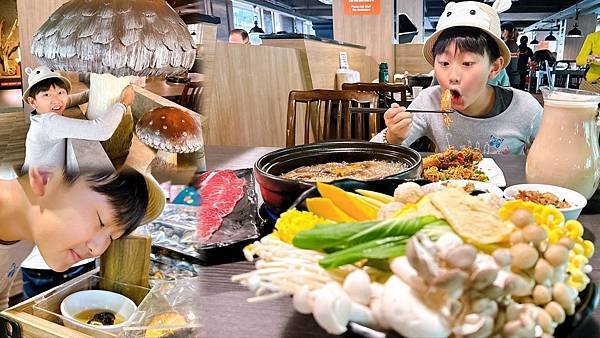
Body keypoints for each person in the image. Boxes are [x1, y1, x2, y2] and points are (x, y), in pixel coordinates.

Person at [371, 1, 543, 155]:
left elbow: (560, 159)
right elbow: (370, 155)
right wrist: (393, 136)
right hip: (446, 188)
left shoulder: (525, 108)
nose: (452, 77)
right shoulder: (430, 101)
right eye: (444, 63)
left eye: (467, 63)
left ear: (494, 67)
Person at [0, 166, 165, 309]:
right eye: (101, 221)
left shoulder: (27, 231)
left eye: (111, 238)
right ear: (45, 177)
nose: (98, 249)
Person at [22, 66, 133, 171]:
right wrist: (124, 102)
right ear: (32, 102)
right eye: (46, 95)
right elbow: (101, 130)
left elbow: (72, 100)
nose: (56, 100)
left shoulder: (40, 115)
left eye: (60, 92)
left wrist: (100, 91)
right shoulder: (48, 122)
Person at [501, 21, 520, 88]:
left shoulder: (505, 45)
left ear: (506, 31)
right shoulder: (515, 45)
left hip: (507, 78)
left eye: (502, 30)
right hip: (515, 78)